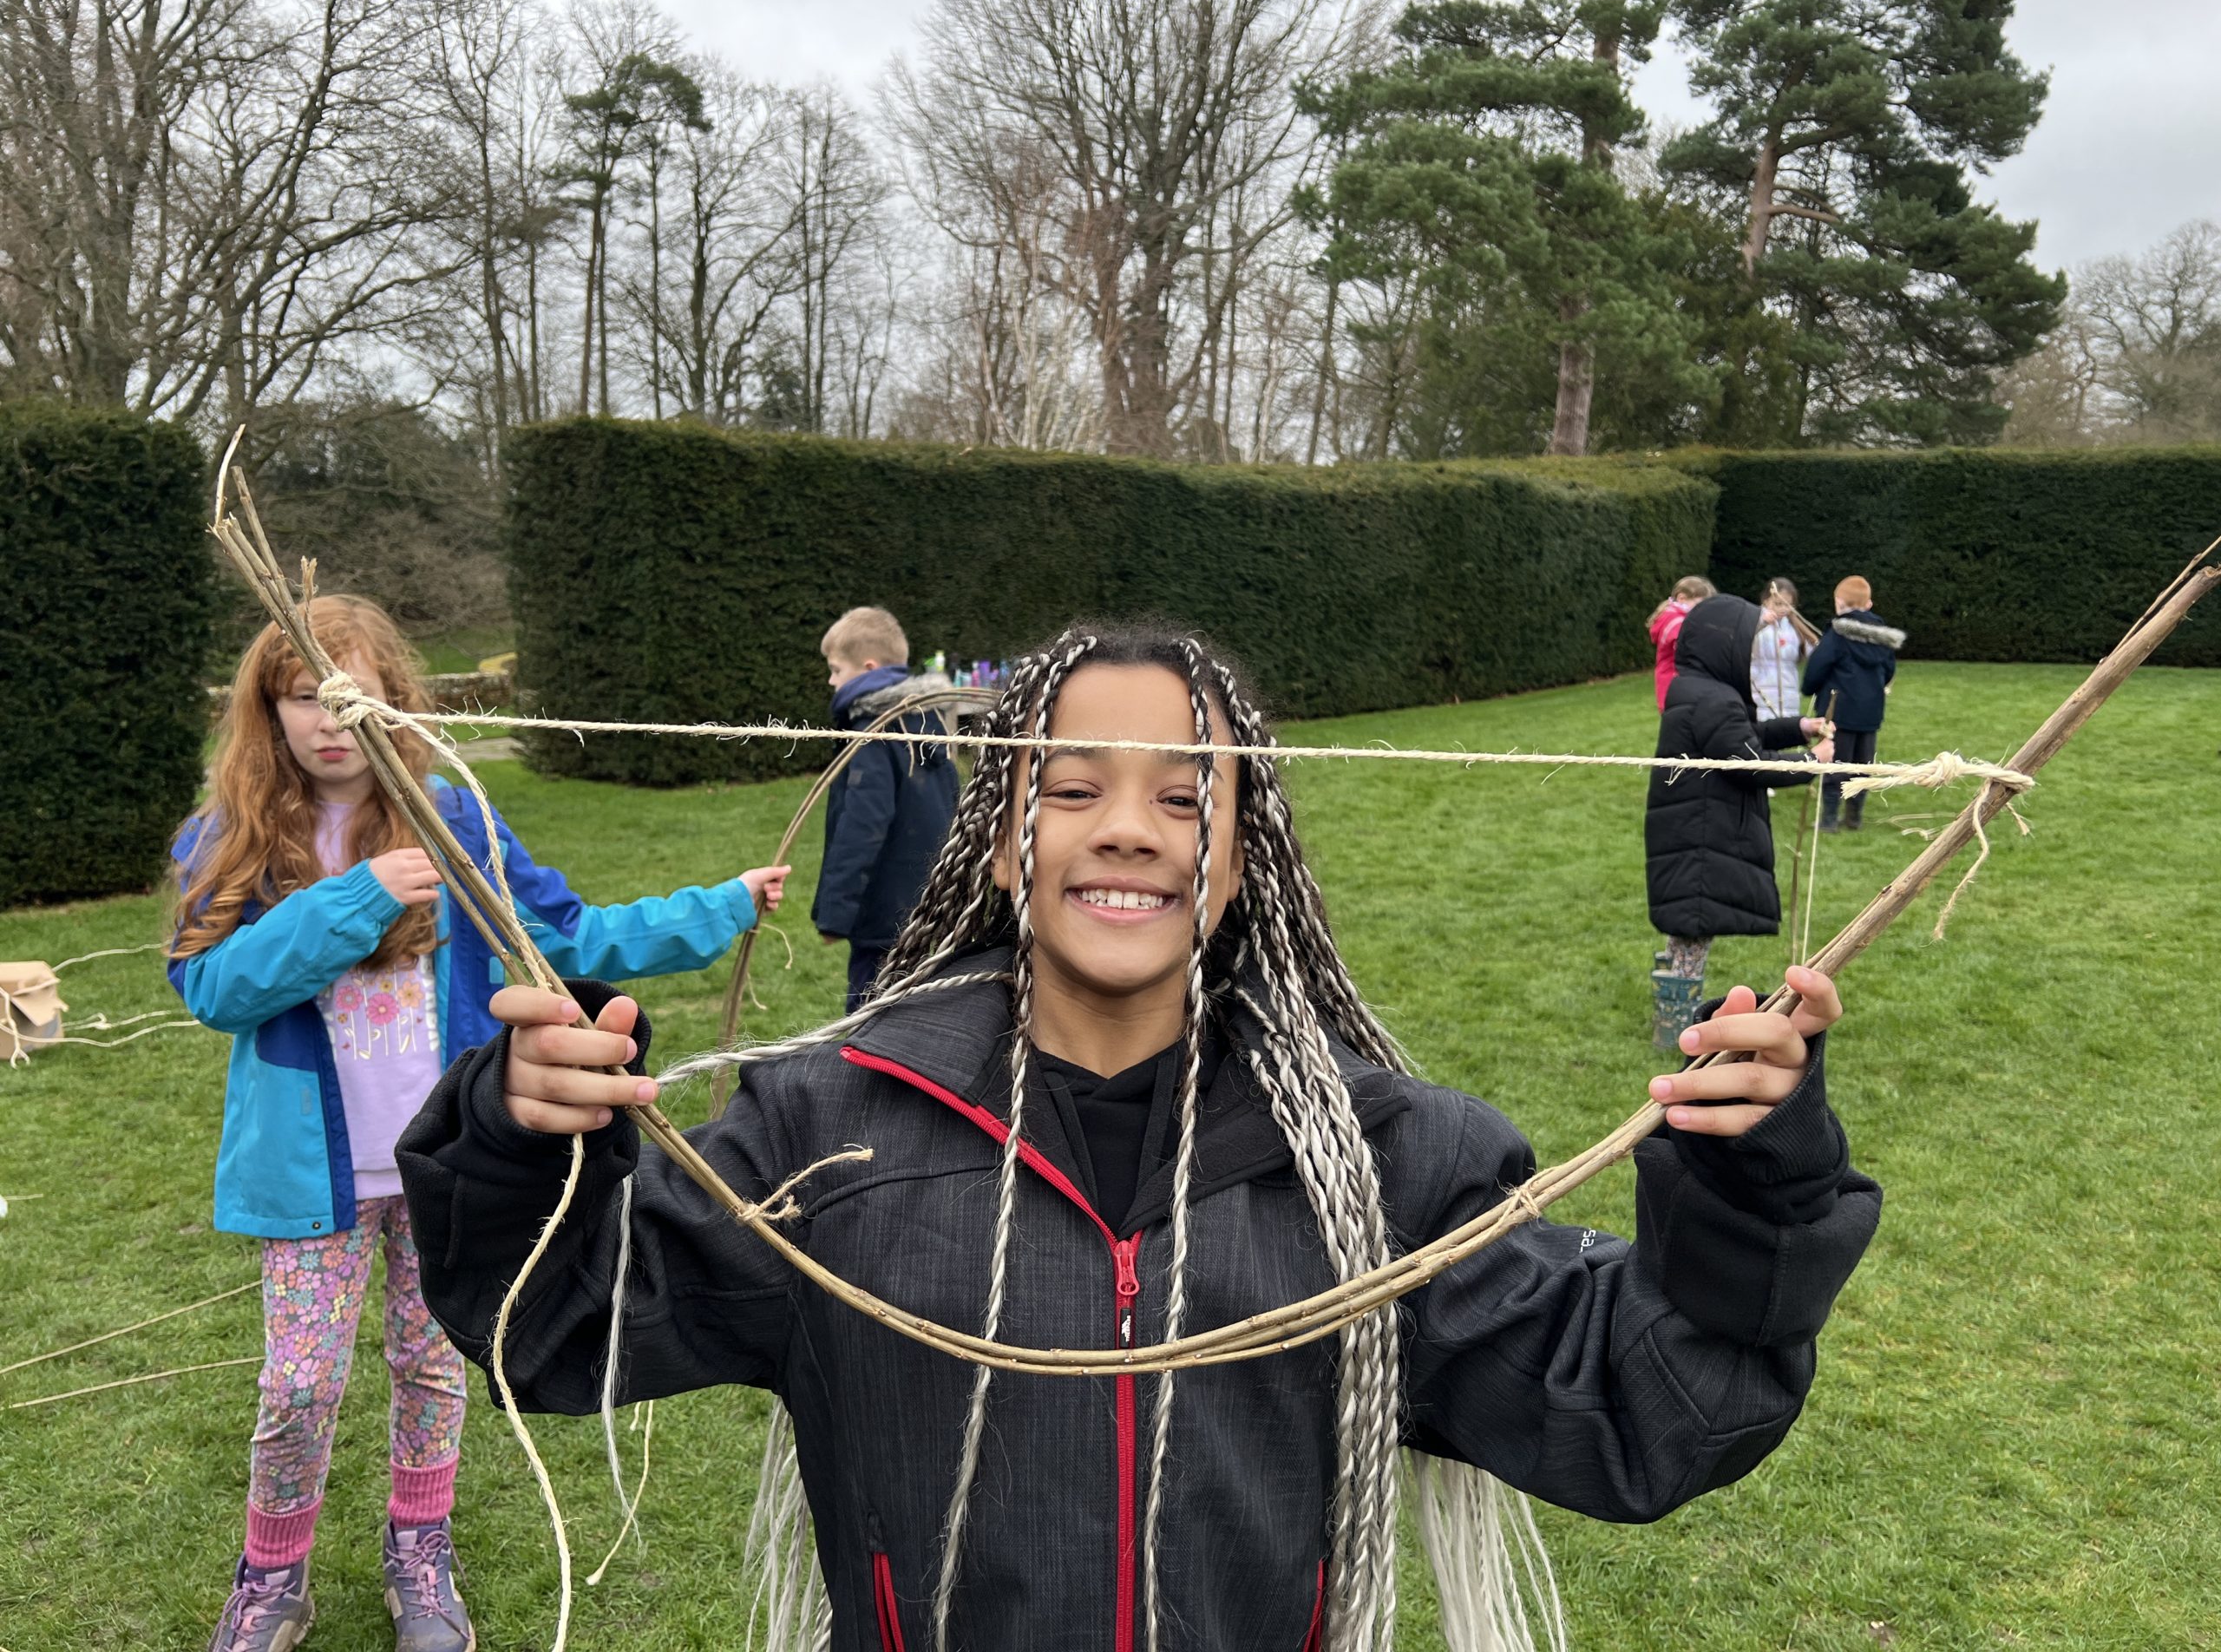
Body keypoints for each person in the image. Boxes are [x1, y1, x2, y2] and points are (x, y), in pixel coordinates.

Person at [399, 625, 1881, 1652]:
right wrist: (528, 1145)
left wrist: (1755, 1183)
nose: (1132, 828)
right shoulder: (830, 1135)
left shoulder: (1378, 1165)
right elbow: (554, 1330)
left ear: (1240, 859)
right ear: (1003, 843)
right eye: (1075, 787)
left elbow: (1654, 1411)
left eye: (1188, 795)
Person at [169, 594, 790, 1652]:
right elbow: (217, 990)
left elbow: (573, 931)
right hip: (308, 1176)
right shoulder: (228, 834)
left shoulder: (451, 823)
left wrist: (720, 904)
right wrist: (355, 898)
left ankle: (421, 1553)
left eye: (348, 697)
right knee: (300, 1383)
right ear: (267, 714)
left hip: (442, 1169)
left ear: (392, 701)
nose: (329, 722)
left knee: (433, 1363)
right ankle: (270, 1578)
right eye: (302, 700)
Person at [1647, 595, 1836, 1049]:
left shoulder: (1699, 688)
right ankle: (1675, 1026)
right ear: (1722, 645)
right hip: (1701, 833)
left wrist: (1799, 727)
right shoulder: (1712, 700)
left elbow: (1744, 737)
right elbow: (1750, 762)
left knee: (1688, 927)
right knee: (1694, 924)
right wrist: (1813, 761)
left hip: (1693, 826)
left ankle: (1671, 1008)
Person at [814, 606, 962, 1010]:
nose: (831, 681)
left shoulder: (873, 733)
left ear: (868, 667)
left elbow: (862, 827)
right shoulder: (930, 722)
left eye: (836, 670)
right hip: (928, 905)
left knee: (868, 1015)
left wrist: (834, 916)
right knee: (917, 1008)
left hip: (881, 915)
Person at [1802, 575, 1906, 833]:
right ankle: (1853, 817)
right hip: (1870, 710)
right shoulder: (1882, 636)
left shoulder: (1837, 633)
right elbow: (1889, 669)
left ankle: (1828, 820)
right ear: (1868, 604)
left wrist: (1809, 688)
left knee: (1835, 763)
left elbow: (1818, 666)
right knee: (1862, 764)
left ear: (1839, 602)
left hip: (1839, 709)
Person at [1750, 576, 1814, 724]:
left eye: (1788, 605)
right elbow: (1743, 641)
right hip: (1759, 693)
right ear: (1766, 600)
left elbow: (1814, 652)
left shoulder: (1795, 627)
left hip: (1789, 695)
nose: (1783, 609)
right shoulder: (1754, 621)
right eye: (1778, 604)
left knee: (1784, 737)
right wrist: (1763, 623)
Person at [1647, 574, 1715, 710]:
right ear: (1682, 598)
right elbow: (1686, 647)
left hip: (1679, 685)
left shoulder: (1681, 618)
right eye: (1699, 605)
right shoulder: (1674, 620)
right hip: (1674, 687)